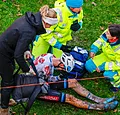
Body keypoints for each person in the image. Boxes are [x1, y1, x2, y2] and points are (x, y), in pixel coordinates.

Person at [0, 5, 59, 115]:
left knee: (9, 74)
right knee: (8, 82)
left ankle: (5, 99)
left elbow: (20, 38)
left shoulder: (30, 20)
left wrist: (26, 50)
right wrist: (27, 70)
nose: (50, 28)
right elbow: (18, 55)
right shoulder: (30, 31)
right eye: (50, 25)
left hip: (6, 48)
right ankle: (3, 109)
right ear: (46, 22)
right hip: (3, 54)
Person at [10, 52, 118, 111]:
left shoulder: (52, 58)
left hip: (46, 81)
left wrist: (58, 78)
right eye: (64, 69)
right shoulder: (43, 65)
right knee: (69, 98)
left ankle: (99, 100)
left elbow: (50, 77)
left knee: (73, 82)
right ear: (61, 64)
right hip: (37, 89)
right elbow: (31, 80)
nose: (62, 70)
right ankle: (100, 107)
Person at [85, 24, 120, 91]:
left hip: (117, 64)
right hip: (106, 56)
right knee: (88, 66)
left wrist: (103, 67)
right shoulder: (109, 32)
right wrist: (94, 49)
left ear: (114, 37)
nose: (105, 32)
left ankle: (117, 84)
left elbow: (118, 64)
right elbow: (100, 41)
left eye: (108, 33)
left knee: (108, 75)